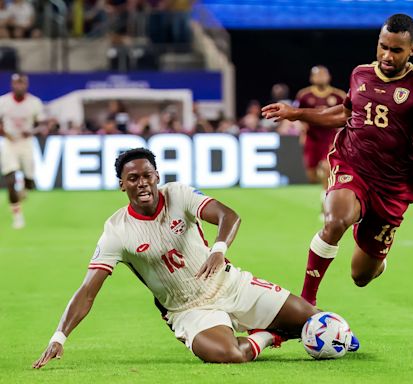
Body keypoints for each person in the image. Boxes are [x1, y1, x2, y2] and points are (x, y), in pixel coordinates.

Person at [32, 148, 358, 369]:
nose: (142, 183)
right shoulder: (117, 231)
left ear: (157, 175)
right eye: (133, 179)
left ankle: (327, 335)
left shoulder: (180, 195)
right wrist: (59, 336)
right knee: (230, 355)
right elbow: (88, 291)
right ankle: (272, 335)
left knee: (316, 320)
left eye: (147, 175)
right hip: (188, 309)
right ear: (122, 185)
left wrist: (218, 251)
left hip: (229, 283)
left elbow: (229, 216)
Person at [262, 14, 413, 306]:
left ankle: (376, 252)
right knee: (335, 221)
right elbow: (344, 114)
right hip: (352, 164)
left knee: (361, 276)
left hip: (393, 186)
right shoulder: (360, 74)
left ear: (412, 51)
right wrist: (296, 113)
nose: (386, 56)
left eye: (396, 50)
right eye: (383, 47)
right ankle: (306, 304)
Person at [0, 72, 45, 229]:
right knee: (10, 179)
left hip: (26, 143)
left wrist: (32, 131)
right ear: (12, 85)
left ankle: (25, 188)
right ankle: (17, 217)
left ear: (26, 84)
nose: (19, 86)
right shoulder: (3, 102)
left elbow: (41, 124)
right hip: (9, 143)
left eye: (22, 83)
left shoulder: (34, 103)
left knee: (29, 182)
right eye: (16, 83)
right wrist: (4, 132)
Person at [295, 66, 346, 191]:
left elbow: (347, 115)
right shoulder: (304, 95)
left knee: (327, 167)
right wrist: (301, 129)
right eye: (318, 75)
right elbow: (297, 115)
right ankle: (323, 186)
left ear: (329, 77)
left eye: (323, 74)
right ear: (312, 78)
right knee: (311, 175)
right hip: (312, 138)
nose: (321, 77)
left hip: (330, 137)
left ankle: (326, 196)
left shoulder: (339, 95)